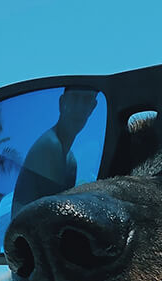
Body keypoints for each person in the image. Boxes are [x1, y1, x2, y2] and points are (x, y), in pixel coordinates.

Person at [11, 89, 98, 217]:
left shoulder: (70, 160)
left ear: (92, 107)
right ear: (62, 102)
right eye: (74, 97)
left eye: (86, 100)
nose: (79, 108)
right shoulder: (50, 146)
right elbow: (56, 218)